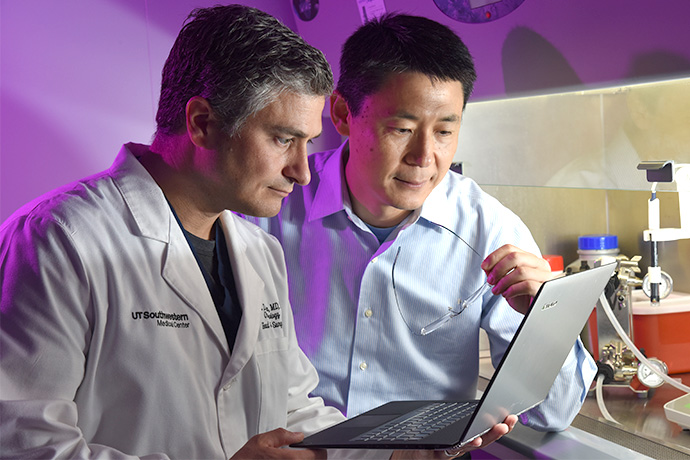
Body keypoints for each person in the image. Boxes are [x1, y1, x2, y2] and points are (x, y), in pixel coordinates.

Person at [0, 5, 348, 459]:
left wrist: (395, 451)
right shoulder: (58, 239)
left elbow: (292, 407)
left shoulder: (259, 251)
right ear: (202, 123)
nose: (302, 172)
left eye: (308, 142)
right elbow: (24, 444)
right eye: (283, 139)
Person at [247, 12, 597, 442]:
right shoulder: (270, 208)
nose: (424, 156)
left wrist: (544, 318)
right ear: (341, 113)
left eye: (446, 131)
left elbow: (555, 413)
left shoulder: (489, 229)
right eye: (402, 128)